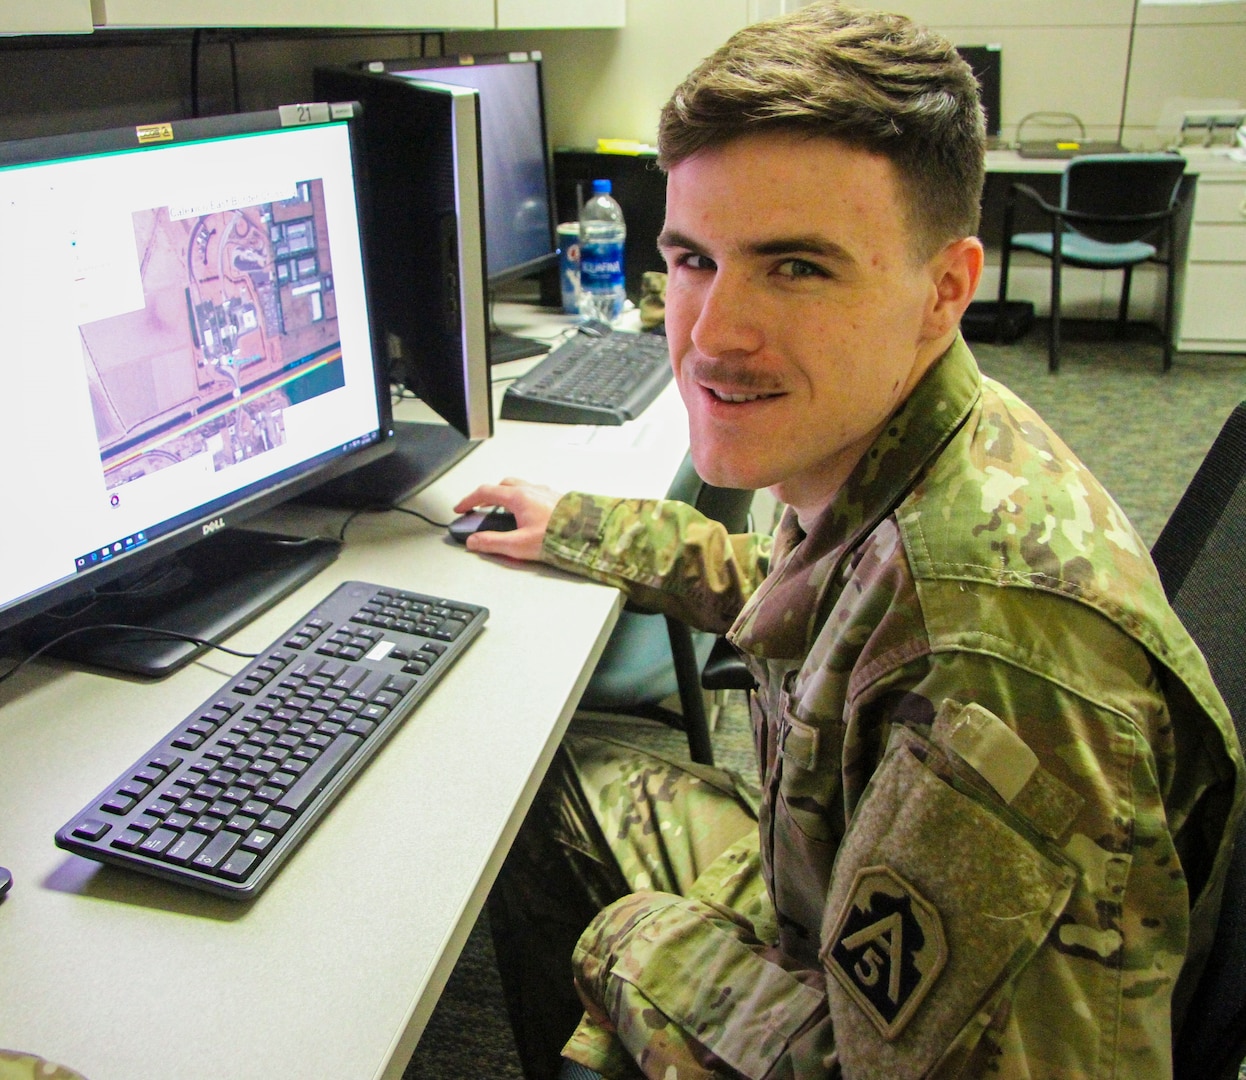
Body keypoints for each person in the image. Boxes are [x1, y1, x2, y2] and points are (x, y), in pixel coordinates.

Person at [454, 4, 1245, 1078]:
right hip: (827, 882)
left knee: (595, 896)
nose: (710, 335)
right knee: (539, 787)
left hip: (879, 1025)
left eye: (797, 268)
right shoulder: (893, 436)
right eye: (691, 259)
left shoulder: (988, 659)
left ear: (945, 289)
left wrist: (630, 950)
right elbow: (803, 586)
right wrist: (585, 527)